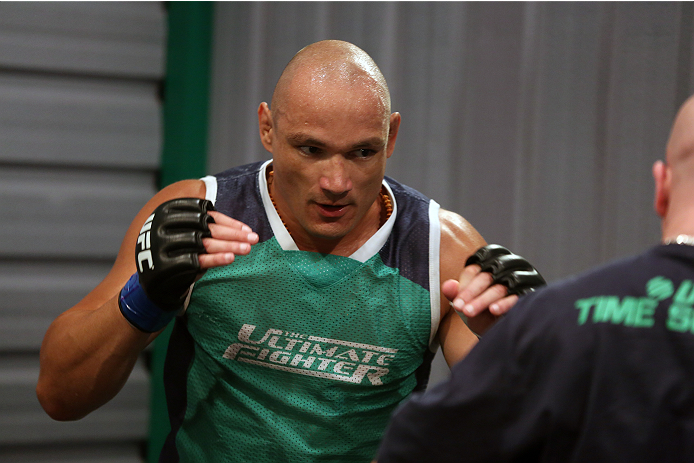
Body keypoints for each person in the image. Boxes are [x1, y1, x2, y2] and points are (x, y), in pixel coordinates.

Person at [36, 40, 543, 462]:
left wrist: (518, 351)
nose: (337, 182)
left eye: (362, 152)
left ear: (391, 137)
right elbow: (59, 395)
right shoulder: (201, 215)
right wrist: (144, 296)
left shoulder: (441, 250)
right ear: (267, 129)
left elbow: (528, 437)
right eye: (311, 149)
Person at [375, 94, 694, 463]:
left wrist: (524, 341)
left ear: (662, 187)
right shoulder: (545, 323)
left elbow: (418, 447)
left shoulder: (558, 319)